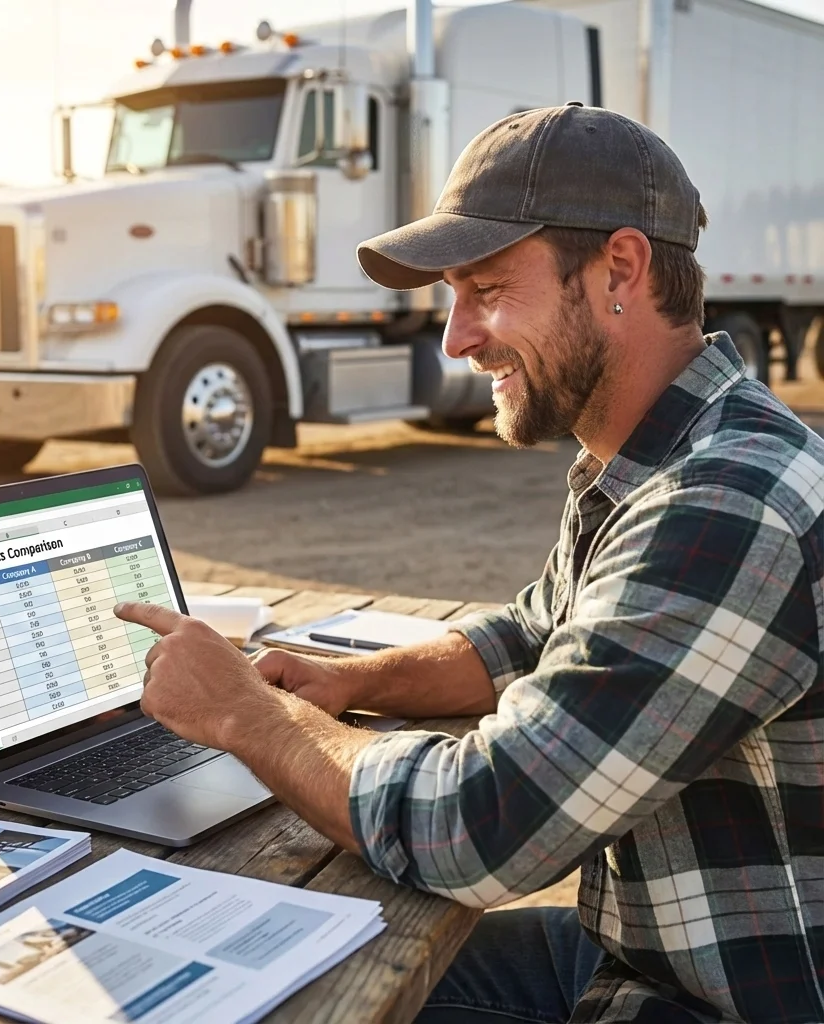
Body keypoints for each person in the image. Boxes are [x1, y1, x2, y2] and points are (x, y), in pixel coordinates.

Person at [114, 103, 824, 1023]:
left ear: (620, 269)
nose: (455, 338)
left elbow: (486, 826)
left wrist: (248, 713)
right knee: (312, 962)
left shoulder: (726, 506)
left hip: (726, 993)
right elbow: (535, 635)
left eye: (486, 288)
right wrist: (343, 681)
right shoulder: (665, 455)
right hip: (648, 942)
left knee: (283, 999)